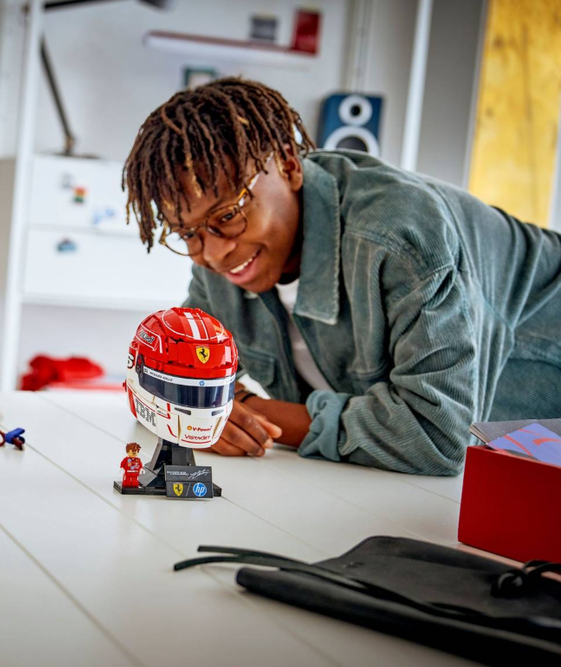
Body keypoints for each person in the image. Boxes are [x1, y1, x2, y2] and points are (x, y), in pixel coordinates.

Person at [122, 77, 561, 476]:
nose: (214, 253)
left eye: (230, 215)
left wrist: (241, 412)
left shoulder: (400, 234)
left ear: (290, 164)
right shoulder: (224, 258)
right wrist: (199, 408)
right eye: (189, 233)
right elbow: (166, 373)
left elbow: (435, 436)